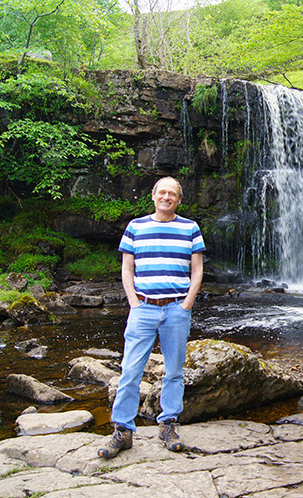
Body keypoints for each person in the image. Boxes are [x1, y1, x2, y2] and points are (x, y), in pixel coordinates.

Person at [98, 176, 205, 458]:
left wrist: (187, 303)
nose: (167, 197)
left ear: (179, 200)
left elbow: (197, 270)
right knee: (130, 370)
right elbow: (127, 269)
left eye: (173, 194)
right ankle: (122, 431)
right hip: (143, 307)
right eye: (162, 192)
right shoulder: (136, 227)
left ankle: (168, 424)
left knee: (174, 372)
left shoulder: (190, 228)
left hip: (176, 309)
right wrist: (133, 301)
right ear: (154, 196)